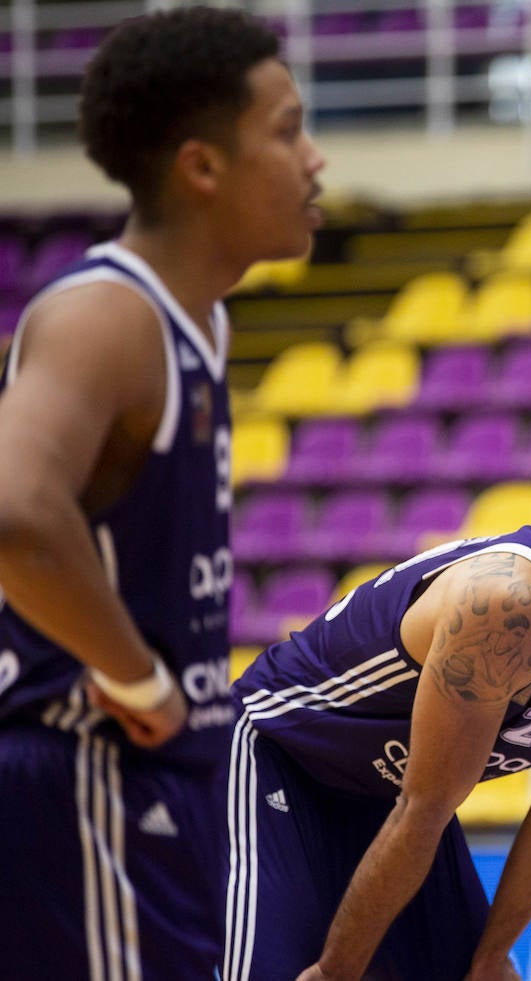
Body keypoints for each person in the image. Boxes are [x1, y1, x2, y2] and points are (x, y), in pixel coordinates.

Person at [0, 8, 324, 979]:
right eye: (287, 130)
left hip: (137, 777)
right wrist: (136, 676)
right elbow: (15, 513)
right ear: (202, 166)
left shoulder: (197, 323)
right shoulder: (110, 313)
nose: (314, 160)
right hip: (79, 766)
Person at [223, 450, 531, 981]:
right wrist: (337, 971)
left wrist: (490, 955)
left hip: (387, 796)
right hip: (278, 751)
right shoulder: (509, 605)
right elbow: (424, 807)